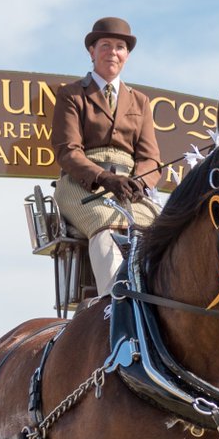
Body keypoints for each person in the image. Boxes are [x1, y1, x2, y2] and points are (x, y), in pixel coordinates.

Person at [52, 16, 163, 295]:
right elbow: (67, 151)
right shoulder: (72, 95)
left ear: (126, 55)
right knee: (106, 223)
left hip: (129, 189)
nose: (112, 52)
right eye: (105, 45)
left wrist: (140, 181)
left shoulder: (140, 101)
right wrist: (104, 177)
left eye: (119, 47)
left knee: (161, 232)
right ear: (92, 51)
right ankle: (114, 306)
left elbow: (151, 158)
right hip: (83, 185)